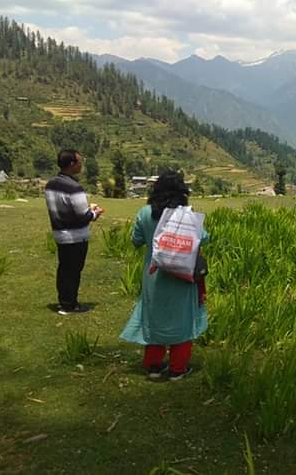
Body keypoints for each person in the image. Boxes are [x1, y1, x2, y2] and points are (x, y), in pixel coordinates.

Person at [120, 172, 208, 381]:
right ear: (182, 191)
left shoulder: (144, 213)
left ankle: (153, 366)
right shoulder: (186, 214)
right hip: (182, 276)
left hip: (154, 276)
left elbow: (136, 240)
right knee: (183, 320)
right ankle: (177, 368)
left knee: (153, 318)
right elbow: (203, 238)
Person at [45, 150, 104, 315]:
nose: (81, 165)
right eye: (79, 162)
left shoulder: (51, 184)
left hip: (59, 233)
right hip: (75, 236)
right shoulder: (74, 187)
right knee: (73, 271)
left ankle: (63, 301)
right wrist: (94, 213)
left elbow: (64, 208)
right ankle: (69, 305)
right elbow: (83, 217)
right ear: (71, 164)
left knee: (64, 269)